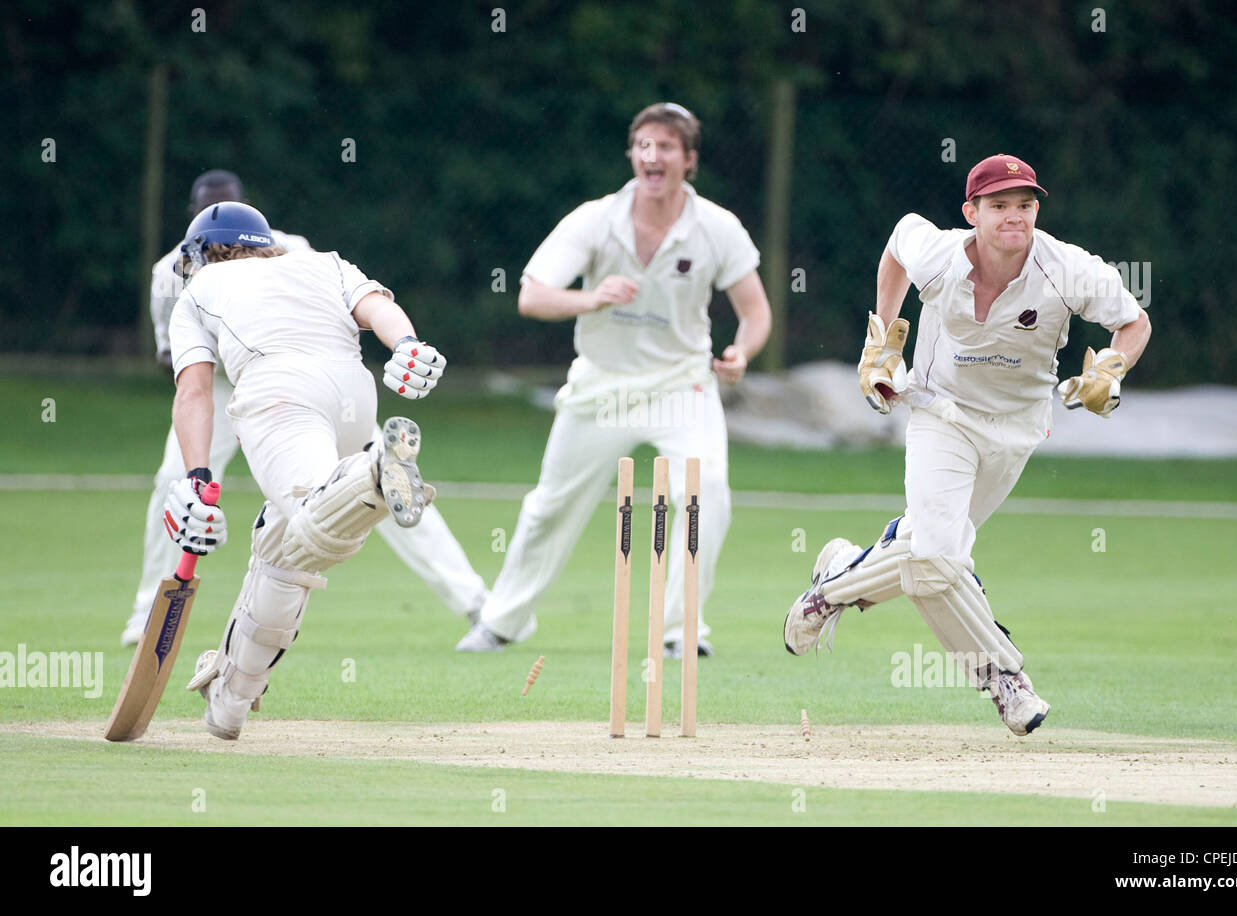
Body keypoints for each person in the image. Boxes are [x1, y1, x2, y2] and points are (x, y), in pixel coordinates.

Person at [783, 153, 1152, 736]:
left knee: (934, 554)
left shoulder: (1068, 268)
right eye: (999, 206)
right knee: (935, 555)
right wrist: (881, 339)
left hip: (1016, 429)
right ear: (971, 212)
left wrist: (1112, 369)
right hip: (940, 414)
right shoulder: (940, 255)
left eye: (1025, 206)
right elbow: (899, 243)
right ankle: (1004, 678)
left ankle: (834, 586)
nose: (1015, 217)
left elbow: (1134, 322)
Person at [456, 102, 772, 655]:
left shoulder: (717, 227)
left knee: (707, 492)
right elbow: (532, 296)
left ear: (688, 159)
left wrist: (741, 353)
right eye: (643, 145)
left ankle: (680, 631)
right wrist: (593, 297)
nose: (653, 156)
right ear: (632, 153)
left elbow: (756, 312)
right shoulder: (594, 219)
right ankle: (501, 622)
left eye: (666, 147)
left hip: (682, 384)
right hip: (604, 385)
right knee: (550, 506)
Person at [122, 170, 487, 646]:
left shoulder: (252, 259)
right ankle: (149, 608)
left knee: (298, 507)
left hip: (272, 384)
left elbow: (186, 384)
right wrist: (407, 344)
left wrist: (201, 474)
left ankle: (474, 600)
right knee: (182, 476)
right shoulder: (174, 272)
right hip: (309, 378)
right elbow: (177, 361)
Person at [166, 200, 445, 739]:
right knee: (285, 550)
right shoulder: (323, 261)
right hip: (353, 395)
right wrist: (408, 345)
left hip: (280, 394)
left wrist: (198, 478)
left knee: (314, 514)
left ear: (202, 254)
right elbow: (378, 310)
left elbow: (194, 392)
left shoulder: (200, 290)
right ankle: (230, 697)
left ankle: (371, 475)